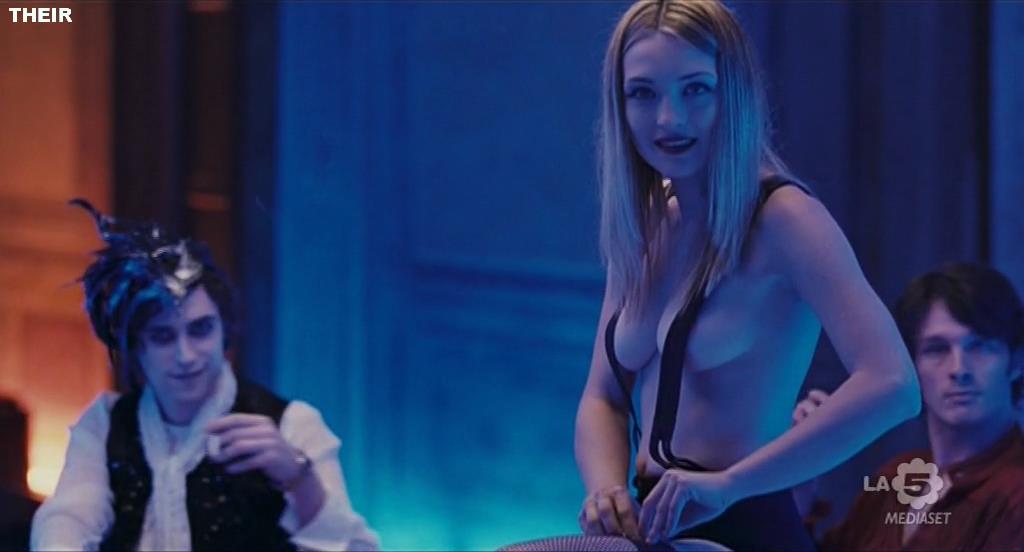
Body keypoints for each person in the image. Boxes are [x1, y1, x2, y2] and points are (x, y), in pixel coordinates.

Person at [574, 1, 921, 549]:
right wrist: (606, 490)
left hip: (749, 529)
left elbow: (893, 385)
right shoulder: (645, 222)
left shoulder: (786, 220)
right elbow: (603, 396)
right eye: (642, 93)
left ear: (733, 92)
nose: (669, 119)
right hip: (651, 530)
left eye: (695, 89)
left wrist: (732, 484)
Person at [31, 199, 379, 551]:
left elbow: (357, 548)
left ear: (224, 329)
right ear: (137, 347)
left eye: (200, 330)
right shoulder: (106, 423)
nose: (186, 355)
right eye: (163, 336)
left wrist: (298, 478)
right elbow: (69, 515)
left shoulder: (293, 424)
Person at [794, 262, 1024, 550]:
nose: (959, 369)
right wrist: (800, 475)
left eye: (979, 346)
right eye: (937, 349)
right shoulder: (896, 479)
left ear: (1016, 361)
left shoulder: (1015, 493)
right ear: (911, 367)